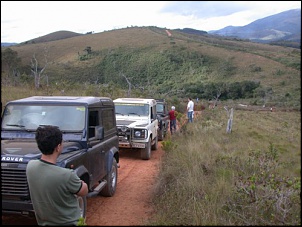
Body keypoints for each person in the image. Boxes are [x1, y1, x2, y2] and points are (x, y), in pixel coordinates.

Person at [26, 126, 88, 226]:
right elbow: (84, 191)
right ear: (58, 147)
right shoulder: (67, 175)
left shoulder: (30, 166)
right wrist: (80, 182)